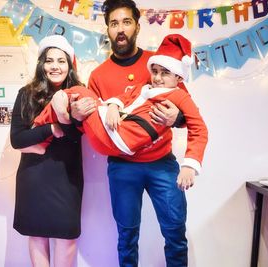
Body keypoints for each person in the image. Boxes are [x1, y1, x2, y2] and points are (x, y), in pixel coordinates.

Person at [69, 0, 193, 266]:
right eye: (114, 24)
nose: (120, 29)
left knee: (175, 232)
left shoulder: (157, 63)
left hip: (163, 163)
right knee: (126, 235)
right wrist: (78, 118)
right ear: (108, 30)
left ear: (137, 25)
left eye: (126, 22)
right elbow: (93, 126)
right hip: (122, 166)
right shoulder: (98, 76)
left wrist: (176, 117)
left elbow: (187, 112)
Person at [34, 33, 208, 191]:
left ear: (179, 77)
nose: (157, 78)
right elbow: (125, 96)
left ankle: (53, 107)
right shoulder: (144, 87)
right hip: (111, 135)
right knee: (81, 95)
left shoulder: (179, 95)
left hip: (122, 141)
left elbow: (199, 129)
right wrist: (113, 106)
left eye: (165, 73)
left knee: (78, 91)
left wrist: (189, 165)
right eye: (154, 72)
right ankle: (44, 126)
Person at [10, 34, 84, 267]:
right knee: (37, 234)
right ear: (42, 64)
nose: (55, 66)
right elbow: (17, 139)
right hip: (34, 178)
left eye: (61, 61)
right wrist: (52, 127)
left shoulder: (80, 94)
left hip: (66, 177)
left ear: (69, 64)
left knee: (67, 238)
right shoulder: (26, 94)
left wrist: (63, 121)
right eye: (49, 60)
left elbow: (77, 136)